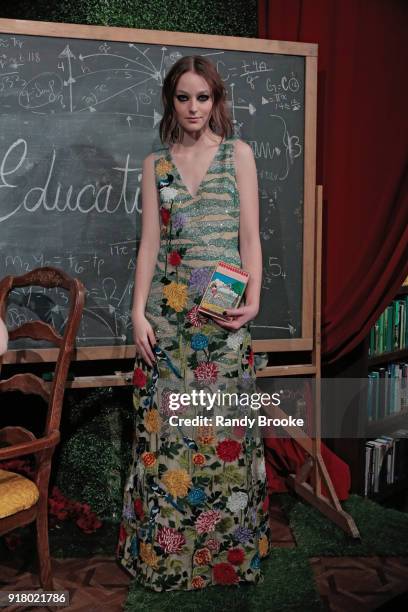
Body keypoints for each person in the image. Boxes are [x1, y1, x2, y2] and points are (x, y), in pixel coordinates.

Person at [117, 55, 270, 591]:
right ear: (171, 101)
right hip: (169, 324)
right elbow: (150, 246)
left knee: (227, 436)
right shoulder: (155, 165)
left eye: (202, 97)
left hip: (224, 324)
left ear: (216, 100)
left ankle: (225, 557)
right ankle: (165, 558)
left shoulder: (239, 155)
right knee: (168, 441)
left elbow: (249, 237)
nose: (193, 108)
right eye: (184, 97)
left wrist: (255, 295)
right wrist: (137, 313)